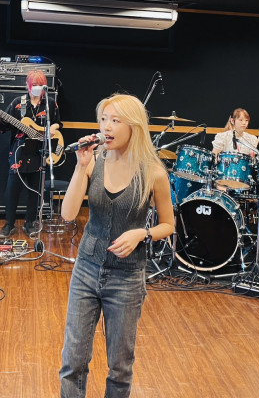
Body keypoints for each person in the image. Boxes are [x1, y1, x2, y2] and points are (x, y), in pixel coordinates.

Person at [59, 93, 174, 398]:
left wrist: (141, 234)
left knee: (120, 368)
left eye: (115, 120)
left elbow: (168, 224)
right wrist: (79, 167)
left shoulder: (153, 172)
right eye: (103, 119)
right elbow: (68, 214)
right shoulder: (93, 162)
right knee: (72, 361)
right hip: (86, 270)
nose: (106, 127)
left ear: (133, 126)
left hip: (127, 278)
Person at [0, 69, 61, 238]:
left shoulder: (50, 103)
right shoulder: (18, 103)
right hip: (19, 151)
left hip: (39, 152)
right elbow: (4, 125)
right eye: (35, 85)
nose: (38, 88)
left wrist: (52, 128)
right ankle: (9, 224)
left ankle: (30, 223)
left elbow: (57, 123)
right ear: (28, 85)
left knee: (35, 191)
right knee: (12, 190)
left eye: (41, 85)